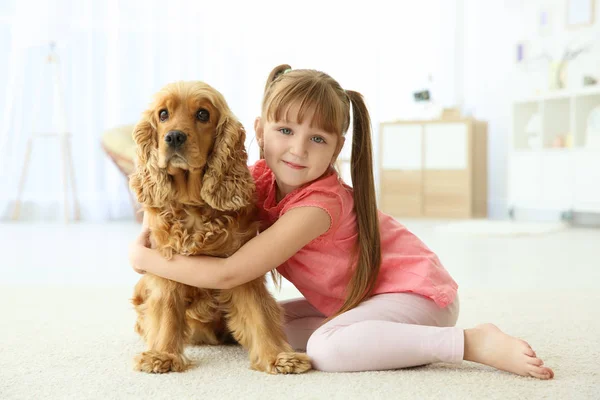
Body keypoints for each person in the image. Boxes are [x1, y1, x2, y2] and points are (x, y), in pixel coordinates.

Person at [128, 64, 554, 379]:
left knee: (328, 351)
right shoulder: (258, 181)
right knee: (269, 325)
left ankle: (471, 341)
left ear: (336, 150)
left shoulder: (318, 206)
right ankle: (379, 335)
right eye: (285, 131)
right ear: (259, 131)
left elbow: (232, 271)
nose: (297, 150)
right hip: (353, 299)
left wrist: (144, 258)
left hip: (414, 293)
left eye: (317, 139)